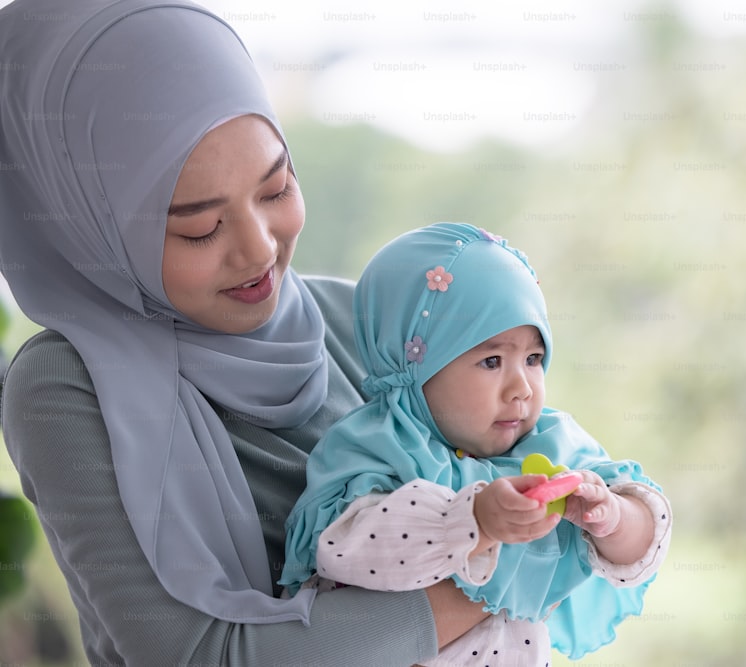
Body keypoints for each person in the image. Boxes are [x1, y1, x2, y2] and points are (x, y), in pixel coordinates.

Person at [0, 1, 495, 664]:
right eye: (199, 228)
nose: (260, 249)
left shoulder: (362, 321)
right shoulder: (64, 386)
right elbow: (201, 654)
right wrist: (496, 583)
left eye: (275, 188)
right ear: (92, 228)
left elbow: (543, 485)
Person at [280, 223, 673, 664]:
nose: (522, 387)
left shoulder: (551, 443)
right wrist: (471, 521)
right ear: (414, 367)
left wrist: (614, 519)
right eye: (491, 360)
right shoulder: (380, 446)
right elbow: (347, 548)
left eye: (533, 358)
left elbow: (645, 531)